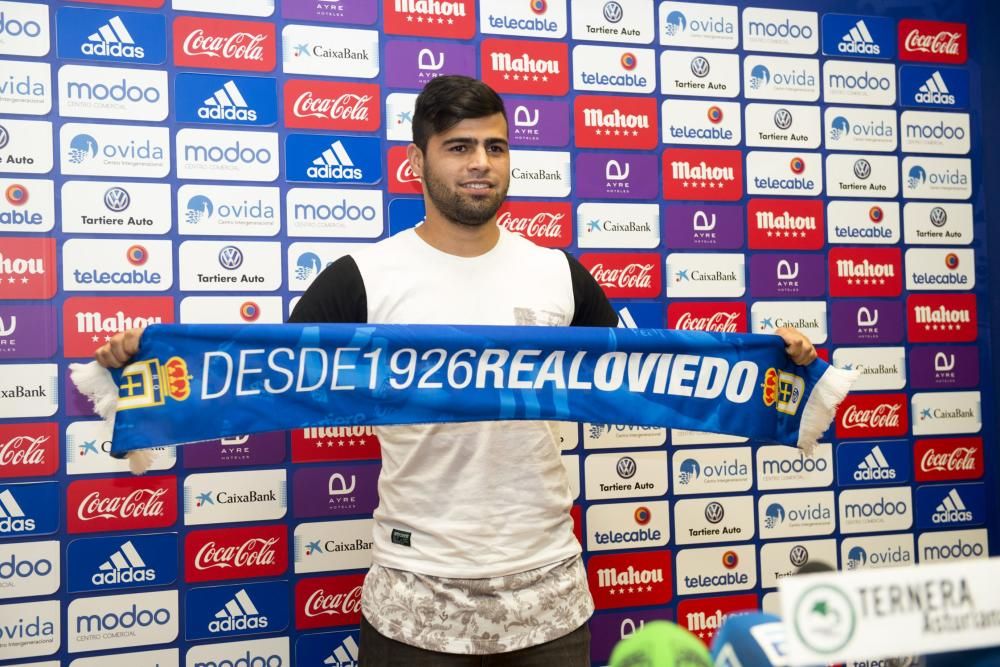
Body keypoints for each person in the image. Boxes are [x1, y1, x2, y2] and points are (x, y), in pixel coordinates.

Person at [95, 75, 817, 666]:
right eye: (460, 146)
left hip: (550, 600)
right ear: (419, 162)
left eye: (496, 147)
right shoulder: (362, 277)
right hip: (415, 605)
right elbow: (256, 377)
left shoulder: (557, 272)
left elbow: (650, 375)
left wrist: (768, 365)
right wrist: (145, 369)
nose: (481, 162)